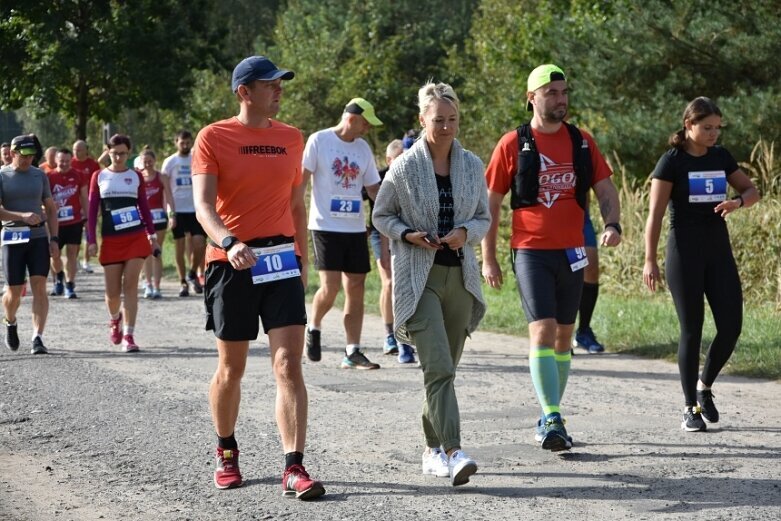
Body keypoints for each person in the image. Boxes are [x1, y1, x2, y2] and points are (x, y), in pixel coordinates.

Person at [192, 55, 325, 499]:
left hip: (281, 260)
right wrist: (229, 244)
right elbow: (204, 207)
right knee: (232, 368)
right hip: (231, 261)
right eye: (270, 84)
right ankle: (226, 450)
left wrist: (302, 256)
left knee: (288, 363)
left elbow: (297, 203)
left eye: (280, 83)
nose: (279, 90)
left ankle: (294, 466)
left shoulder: (291, 137)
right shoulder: (214, 136)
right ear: (244, 92)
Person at [481, 64, 621, 452]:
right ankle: (553, 417)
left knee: (563, 335)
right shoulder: (513, 143)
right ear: (532, 98)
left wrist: (612, 224)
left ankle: (549, 412)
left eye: (564, 92)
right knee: (542, 330)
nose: (560, 100)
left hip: (571, 252)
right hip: (530, 252)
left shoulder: (582, 142)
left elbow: (606, 189)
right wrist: (488, 257)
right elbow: (491, 204)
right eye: (551, 93)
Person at [374, 82, 489, 486]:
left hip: (459, 276)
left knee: (445, 371)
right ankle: (455, 451)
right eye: (438, 120)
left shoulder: (473, 165)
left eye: (452, 119)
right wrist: (407, 234)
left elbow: (483, 218)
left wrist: (465, 233)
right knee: (437, 367)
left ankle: (430, 449)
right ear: (422, 120)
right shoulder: (404, 167)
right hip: (417, 280)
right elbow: (381, 216)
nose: (446, 127)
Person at [643, 97, 759, 433]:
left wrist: (737, 202)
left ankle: (704, 386)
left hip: (718, 251)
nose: (713, 133)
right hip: (684, 252)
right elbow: (654, 216)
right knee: (692, 330)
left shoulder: (721, 157)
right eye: (706, 127)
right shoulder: (671, 162)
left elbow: (751, 191)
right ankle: (689, 408)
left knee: (731, 325)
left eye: (717, 128)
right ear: (688, 125)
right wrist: (650, 260)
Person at [302, 98, 383, 369]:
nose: (367, 130)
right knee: (331, 286)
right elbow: (301, 180)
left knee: (356, 287)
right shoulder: (319, 141)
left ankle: (353, 351)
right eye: (365, 123)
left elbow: (373, 188)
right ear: (351, 118)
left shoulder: (363, 148)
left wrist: (390, 209)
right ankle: (313, 326)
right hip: (325, 226)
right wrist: (292, 216)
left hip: (355, 228)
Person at [86, 134, 159, 353]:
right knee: (112, 294)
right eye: (115, 153)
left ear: (129, 154)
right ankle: (115, 318)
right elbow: (91, 212)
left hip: (135, 238)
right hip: (111, 239)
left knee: (130, 287)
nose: (119, 157)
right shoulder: (98, 176)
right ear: (107, 152)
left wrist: (152, 235)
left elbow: (144, 208)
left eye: (123, 153)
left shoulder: (135, 176)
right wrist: (91, 239)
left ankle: (129, 334)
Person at [0, 135, 60, 354]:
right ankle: (10, 320)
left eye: (32, 156)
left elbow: (51, 209)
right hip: (12, 236)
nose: (27, 161)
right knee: (14, 291)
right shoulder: (2, 175)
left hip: (37, 238)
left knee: (39, 287)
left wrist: (54, 238)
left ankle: (37, 337)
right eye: (23, 156)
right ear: (13, 153)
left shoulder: (39, 175)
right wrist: (22, 215)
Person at [365, 138, 415, 363]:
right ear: (389, 159)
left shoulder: (416, 177)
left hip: (407, 232)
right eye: (399, 159)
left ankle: (410, 335)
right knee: (389, 282)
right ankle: (390, 335)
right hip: (381, 232)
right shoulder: (379, 179)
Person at [161, 130, 206, 297]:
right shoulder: (170, 162)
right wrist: (170, 213)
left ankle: (192, 273)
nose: (185, 145)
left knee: (200, 243)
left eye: (188, 142)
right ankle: (182, 282)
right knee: (179, 248)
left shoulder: (197, 158)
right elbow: (166, 191)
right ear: (176, 142)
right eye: (182, 143)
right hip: (178, 210)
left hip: (195, 209)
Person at [47, 148, 88, 299]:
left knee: (72, 253)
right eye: (61, 161)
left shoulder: (79, 175)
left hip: (74, 221)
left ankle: (70, 285)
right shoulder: (48, 176)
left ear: (71, 160)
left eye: (66, 161)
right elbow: (40, 199)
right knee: (55, 255)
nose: (64, 164)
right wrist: (47, 207)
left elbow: (84, 197)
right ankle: (59, 276)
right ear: (56, 160)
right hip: (54, 223)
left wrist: (88, 216)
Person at [140, 149, 173, 299]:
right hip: (143, 220)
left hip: (159, 218)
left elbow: (170, 198)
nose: (147, 163)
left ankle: (158, 286)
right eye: (145, 161)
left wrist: (172, 215)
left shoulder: (161, 177)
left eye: (150, 160)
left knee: (156, 252)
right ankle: (148, 283)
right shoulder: (138, 177)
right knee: (146, 251)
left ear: (154, 160)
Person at [571, 208, 605, 353]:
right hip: (547, 218)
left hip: (579, 216)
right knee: (561, 272)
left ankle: (583, 331)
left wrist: (611, 224)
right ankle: (557, 335)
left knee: (590, 269)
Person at [72, 140, 102, 274]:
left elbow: (99, 184)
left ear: (86, 150)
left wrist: (99, 204)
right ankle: (75, 259)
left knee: (90, 232)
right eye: (74, 150)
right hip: (74, 203)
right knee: (76, 234)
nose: (76, 152)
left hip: (90, 202)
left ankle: (86, 261)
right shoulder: (70, 163)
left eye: (79, 150)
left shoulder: (93, 164)